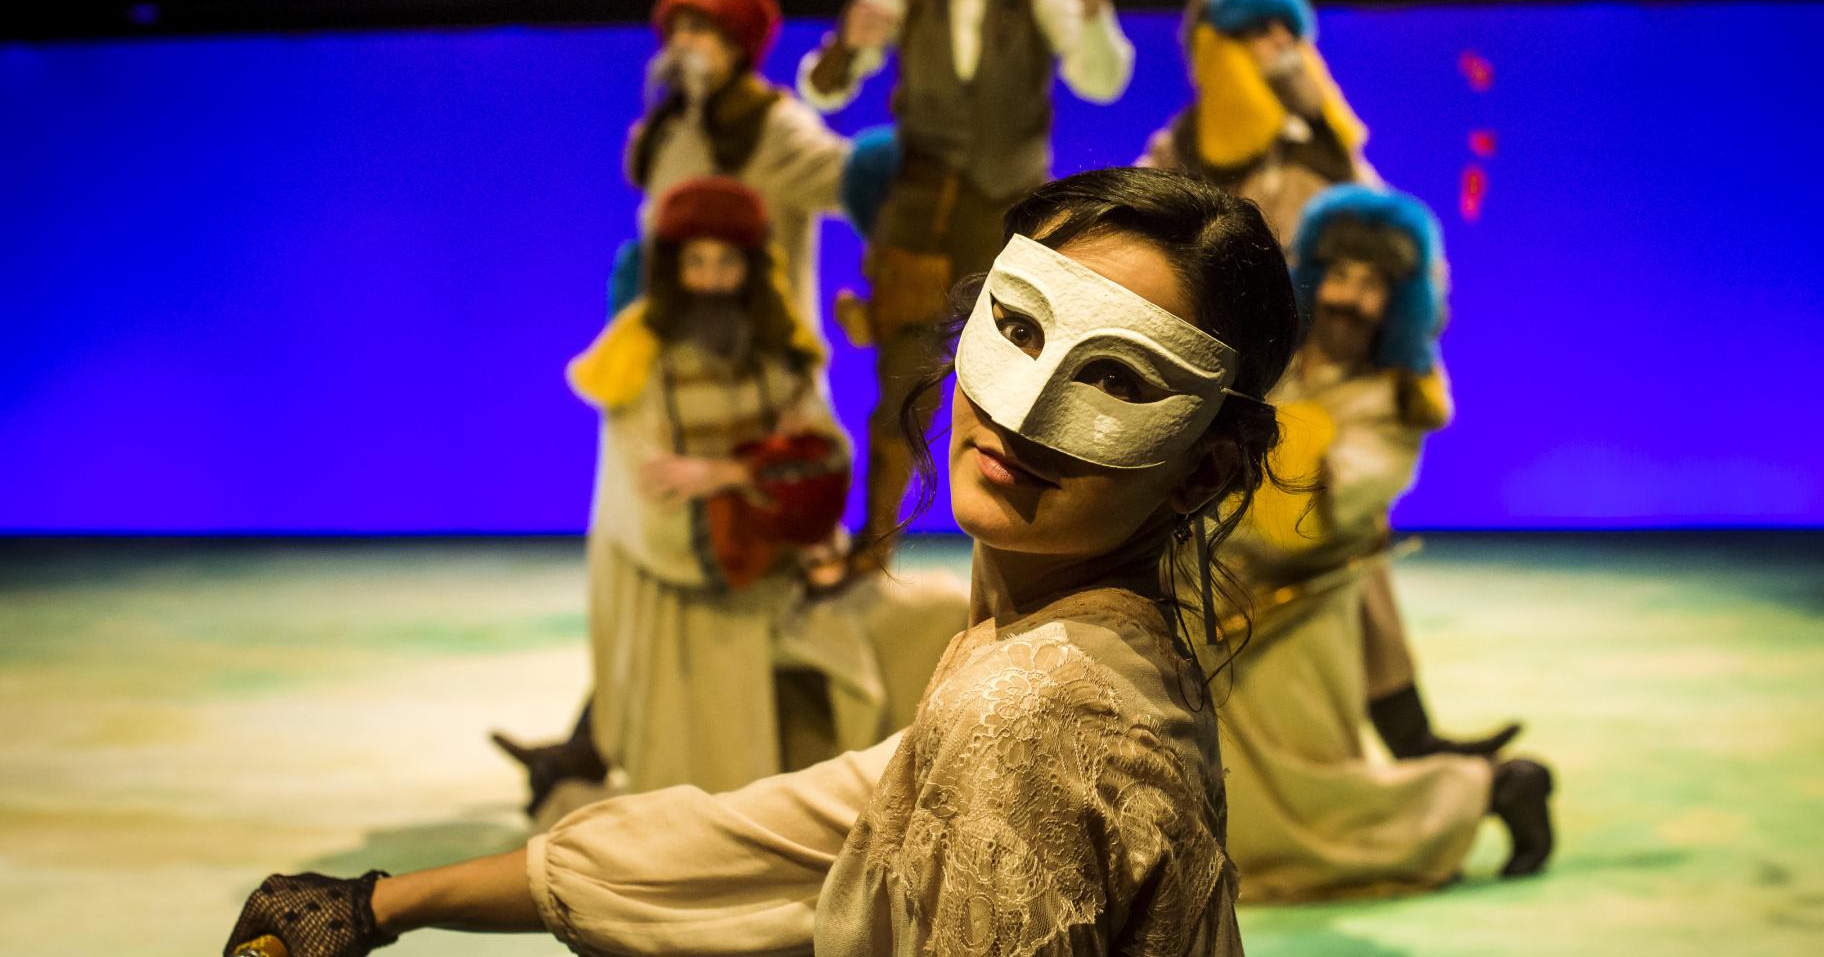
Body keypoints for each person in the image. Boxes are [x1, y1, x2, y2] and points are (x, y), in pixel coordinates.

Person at [222, 166, 1300, 957]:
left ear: (1203, 470)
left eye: (1116, 380)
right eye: (1017, 330)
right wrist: (386, 901)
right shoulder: (1087, 649)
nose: (1020, 413)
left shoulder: (1026, 705)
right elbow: (780, 835)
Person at [497, 177, 924, 824]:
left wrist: (732, 472)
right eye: (696, 262)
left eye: (727, 262)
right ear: (673, 267)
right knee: (696, 783)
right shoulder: (640, 362)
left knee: (873, 675)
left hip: (781, 582)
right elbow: (651, 495)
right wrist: (766, 482)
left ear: (751, 265)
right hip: (688, 596)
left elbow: (825, 457)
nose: (713, 279)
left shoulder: (776, 353)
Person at [1218, 183, 1553, 899]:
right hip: (1218, 606)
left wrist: (1256, 428)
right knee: (1234, 781)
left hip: (1300, 622)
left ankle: (1489, 790)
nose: (1348, 298)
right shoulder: (1273, 364)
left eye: (1371, 285)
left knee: (1311, 795)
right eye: (1338, 274)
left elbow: (1306, 519)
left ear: (1397, 303)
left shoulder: (1392, 404)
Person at [796, 0, 1135, 566]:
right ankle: (873, 549)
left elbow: (1102, 81)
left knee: (1028, 377)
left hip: (1014, 215)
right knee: (904, 378)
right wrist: (847, 48)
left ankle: (1029, 550)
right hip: (924, 213)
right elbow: (825, 90)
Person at [610, 0, 850, 339]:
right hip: (675, 357)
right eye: (676, 29)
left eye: (698, 29)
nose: (682, 43)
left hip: (765, 355)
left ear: (735, 44)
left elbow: (850, 180)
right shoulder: (667, 133)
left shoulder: (773, 126)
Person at [1138, 0, 1380, 252]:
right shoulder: (1183, 146)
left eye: (1290, 30)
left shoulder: (1323, 142)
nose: (1282, 41)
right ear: (1219, 45)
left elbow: (1377, 230)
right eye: (1261, 30)